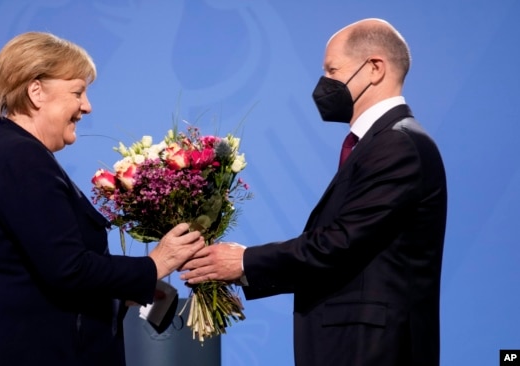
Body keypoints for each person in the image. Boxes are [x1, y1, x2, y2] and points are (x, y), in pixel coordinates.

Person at [181, 18, 447, 366]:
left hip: (372, 350)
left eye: (332, 70)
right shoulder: (380, 143)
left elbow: (340, 243)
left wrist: (244, 261)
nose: (324, 84)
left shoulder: (398, 145)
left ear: (375, 69)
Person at [0, 32, 205, 366]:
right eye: (77, 92)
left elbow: (48, 267)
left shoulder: (19, 153)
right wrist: (155, 264)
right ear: (36, 92)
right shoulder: (19, 157)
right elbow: (68, 269)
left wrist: (123, 292)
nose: (87, 106)